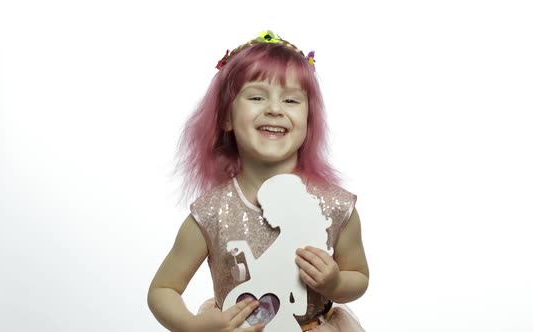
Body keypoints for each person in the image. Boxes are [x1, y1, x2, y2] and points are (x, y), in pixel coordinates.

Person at [147, 30, 369, 332]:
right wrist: (192, 325)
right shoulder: (212, 213)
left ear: (308, 121)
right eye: (256, 97)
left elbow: (358, 275)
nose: (274, 109)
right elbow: (163, 290)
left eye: (291, 100)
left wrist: (336, 282)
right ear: (226, 117)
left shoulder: (333, 206)